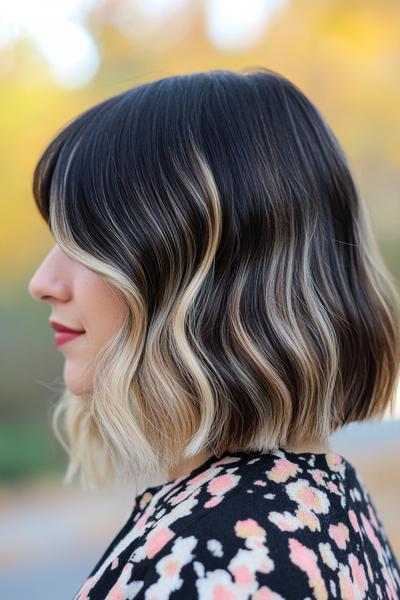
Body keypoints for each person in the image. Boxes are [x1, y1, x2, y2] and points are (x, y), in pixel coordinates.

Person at [28, 67, 400, 599]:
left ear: (210, 278)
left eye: (86, 240)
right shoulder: (321, 503)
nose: (43, 282)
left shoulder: (213, 564)